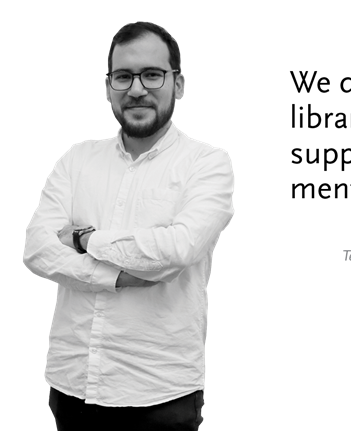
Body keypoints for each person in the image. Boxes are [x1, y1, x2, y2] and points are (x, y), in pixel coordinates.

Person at [23, 21, 234, 430]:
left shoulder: (207, 163)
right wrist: (118, 276)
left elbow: (177, 250)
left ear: (179, 84)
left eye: (152, 74)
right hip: (72, 385)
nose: (137, 89)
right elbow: (37, 250)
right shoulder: (77, 159)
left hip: (159, 393)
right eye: (123, 76)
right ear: (108, 88)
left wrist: (84, 239)